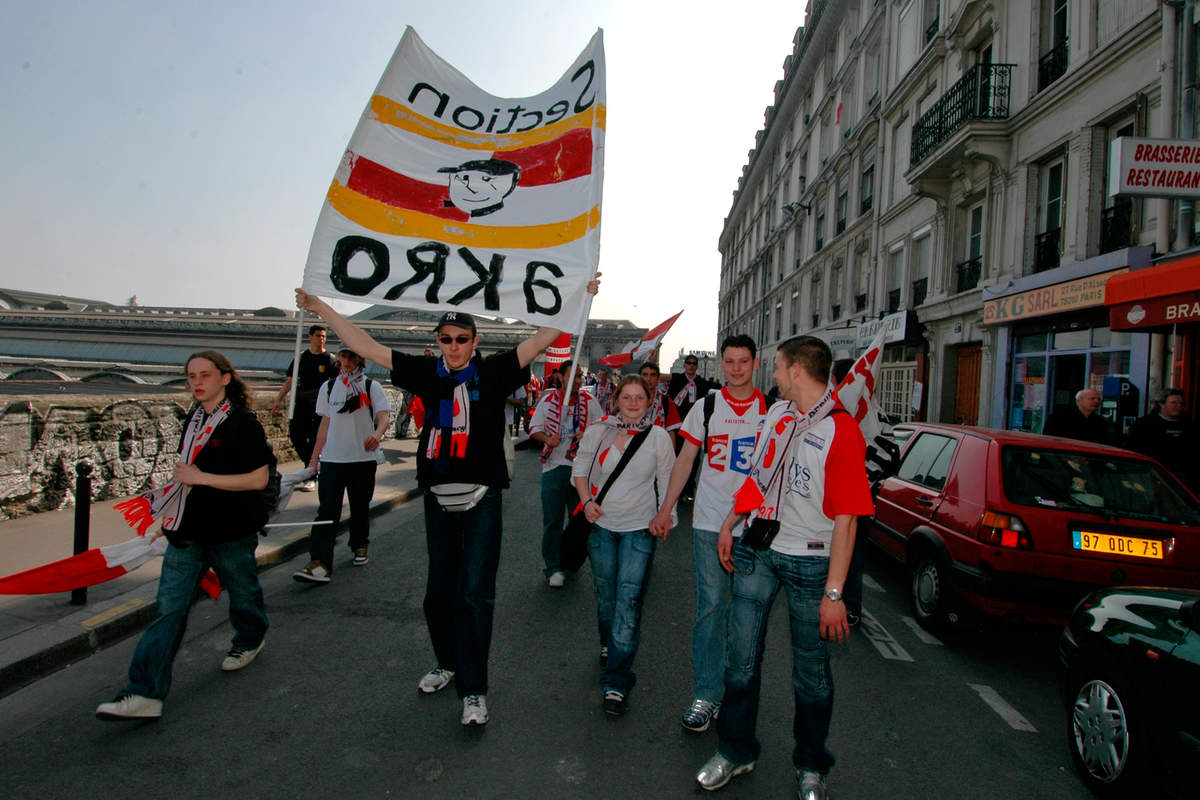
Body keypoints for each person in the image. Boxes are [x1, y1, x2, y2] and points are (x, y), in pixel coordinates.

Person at [294, 277, 599, 728]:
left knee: (475, 595)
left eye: (461, 340)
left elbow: (540, 339)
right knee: (438, 595)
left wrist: (579, 295)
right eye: (446, 340)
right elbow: (364, 343)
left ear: (475, 343)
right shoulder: (424, 374)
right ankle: (449, 661)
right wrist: (321, 307)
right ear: (437, 343)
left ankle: (474, 690)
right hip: (437, 500)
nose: (453, 347)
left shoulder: (494, 372)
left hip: (482, 501)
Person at [696, 336, 874, 800]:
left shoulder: (842, 429)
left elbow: (848, 518)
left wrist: (835, 594)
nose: (771, 374)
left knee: (811, 673)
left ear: (797, 370)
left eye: (777, 366)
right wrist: (730, 522)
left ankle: (812, 766)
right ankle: (735, 751)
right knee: (740, 661)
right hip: (758, 550)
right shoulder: (778, 414)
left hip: (810, 564)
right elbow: (760, 475)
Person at [96, 351, 273, 721]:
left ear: (226, 378)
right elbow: (184, 477)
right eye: (191, 376)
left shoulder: (243, 424)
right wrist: (169, 515)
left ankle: (250, 638)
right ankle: (144, 693)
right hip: (187, 533)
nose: (196, 382)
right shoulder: (193, 419)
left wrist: (202, 478)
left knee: (242, 593)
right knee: (169, 611)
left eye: (205, 375)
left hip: (231, 531)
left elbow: (258, 480)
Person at [650, 335, 766, 733]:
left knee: (748, 617)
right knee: (712, 608)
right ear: (722, 364)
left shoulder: (772, 410)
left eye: (743, 361)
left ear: (756, 363)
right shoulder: (706, 406)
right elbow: (686, 459)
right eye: (729, 361)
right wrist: (666, 508)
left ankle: (739, 696)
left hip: (755, 529)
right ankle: (705, 692)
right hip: (709, 522)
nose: (736, 369)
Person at [572, 375, 676, 717]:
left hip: (639, 530)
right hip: (601, 527)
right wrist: (587, 503)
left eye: (639, 397)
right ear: (616, 399)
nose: (632, 403)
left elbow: (668, 479)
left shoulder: (659, 437)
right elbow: (580, 471)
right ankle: (609, 645)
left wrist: (666, 517)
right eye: (626, 397)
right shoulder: (597, 431)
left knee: (628, 601)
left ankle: (616, 681)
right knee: (606, 597)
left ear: (649, 401)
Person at [293, 348, 391, 583]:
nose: (346, 362)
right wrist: (314, 459)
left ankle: (359, 544)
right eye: (343, 357)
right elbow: (324, 425)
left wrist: (377, 435)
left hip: (362, 460)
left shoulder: (371, 387)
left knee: (359, 508)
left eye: (351, 357)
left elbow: (384, 415)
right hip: (332, 460)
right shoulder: (328, 387)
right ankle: (319, 562)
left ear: (360, 359)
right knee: (327, 512)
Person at [530, 361, 603, 587]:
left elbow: (603, 428)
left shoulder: (590, 402)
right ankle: (552, 567)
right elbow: (534, 429)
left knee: (579, 521)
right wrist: (547, 439)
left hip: (580, 471)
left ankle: (571, 562)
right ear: (561, 377)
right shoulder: (549, 401)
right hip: (553, 467)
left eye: (580, 376)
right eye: (574, 376)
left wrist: (588, 434)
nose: (579, 381)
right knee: (552, 521)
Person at [273, 325, 338, 491]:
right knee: (296, 436)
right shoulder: (301, 358)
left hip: (320, 406)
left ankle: (312, 474)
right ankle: (311, 467)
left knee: (316, 439)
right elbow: (290, 381)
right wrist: (278, 399)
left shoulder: (330, 359)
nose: (321, 339)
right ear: (310, 337)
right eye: (318, 336)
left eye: (323, 336)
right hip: (302, 403)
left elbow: (338, 383)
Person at [1124, 388, 1197, 490]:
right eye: (1174, 403)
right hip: (1152, 474)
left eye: (1181, 403)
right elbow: (1132, 449)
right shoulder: (1144, 424)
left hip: (1180, 477)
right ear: (1161, 404)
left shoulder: (1188, 424)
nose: (1178, 406)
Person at [1042, 388, 1110, 444]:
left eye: (1098, 399)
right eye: (1092, 399)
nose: (1096, 401)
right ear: (1079, 401)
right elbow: (1049, 439)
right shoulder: (1060, 417)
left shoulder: (1100, 421)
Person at [639, 361, 682, 443]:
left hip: (658, 448)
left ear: (658, 379)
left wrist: (670, 455)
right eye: (645, 375)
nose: (648, 379)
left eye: (652, 375)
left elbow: (671, 432)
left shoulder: (666, 401)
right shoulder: (630, 400)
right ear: (640, 378)